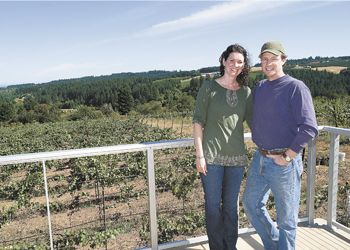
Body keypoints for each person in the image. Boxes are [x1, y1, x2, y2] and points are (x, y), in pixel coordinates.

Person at [243, 41, 318, 250]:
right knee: (251, 205)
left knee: (286, 220)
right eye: (264, 59)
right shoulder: (260, 87)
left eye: (273, 59)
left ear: (283, 60)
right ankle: (275, 245)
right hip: (260, 158)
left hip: (284, 162)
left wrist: (287, 156)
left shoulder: (295, 87)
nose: (268, 63)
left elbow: (309, 128)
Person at [193, 43, 252, 250]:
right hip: (211, 159)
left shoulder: (246, 92)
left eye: (240, 62)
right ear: (224, 61)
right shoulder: (208, 87)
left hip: (236, 160)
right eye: (232, 60)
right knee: (212, 208)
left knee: (231, 208)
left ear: (244, 66)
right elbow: (198, 122)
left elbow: (256, 123)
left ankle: (231, 246)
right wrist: (200, 155)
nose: (235, 65)